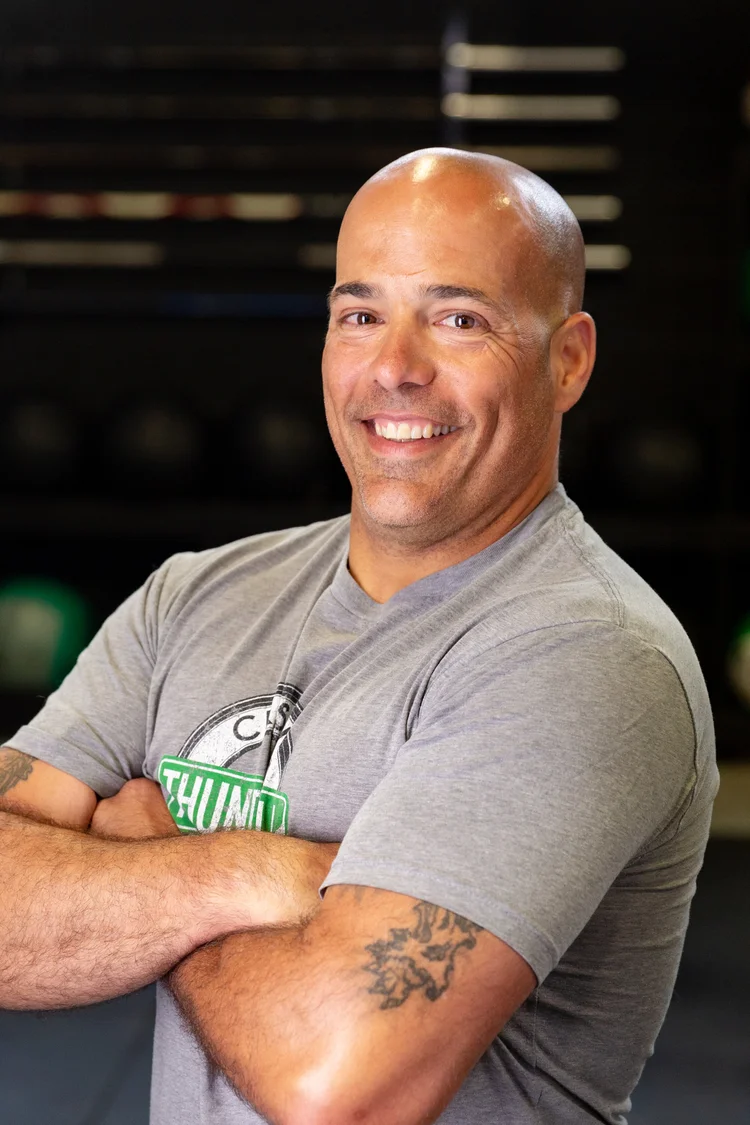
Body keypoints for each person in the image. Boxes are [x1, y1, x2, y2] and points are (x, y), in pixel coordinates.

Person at [0, 148, 718, 1125]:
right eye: (361, 316)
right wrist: (242, 871)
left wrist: (145, 840)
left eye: (459, 319)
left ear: (569, 360)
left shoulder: (589, 659)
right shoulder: (196, 598)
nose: (395, 369)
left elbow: (336, 1087)